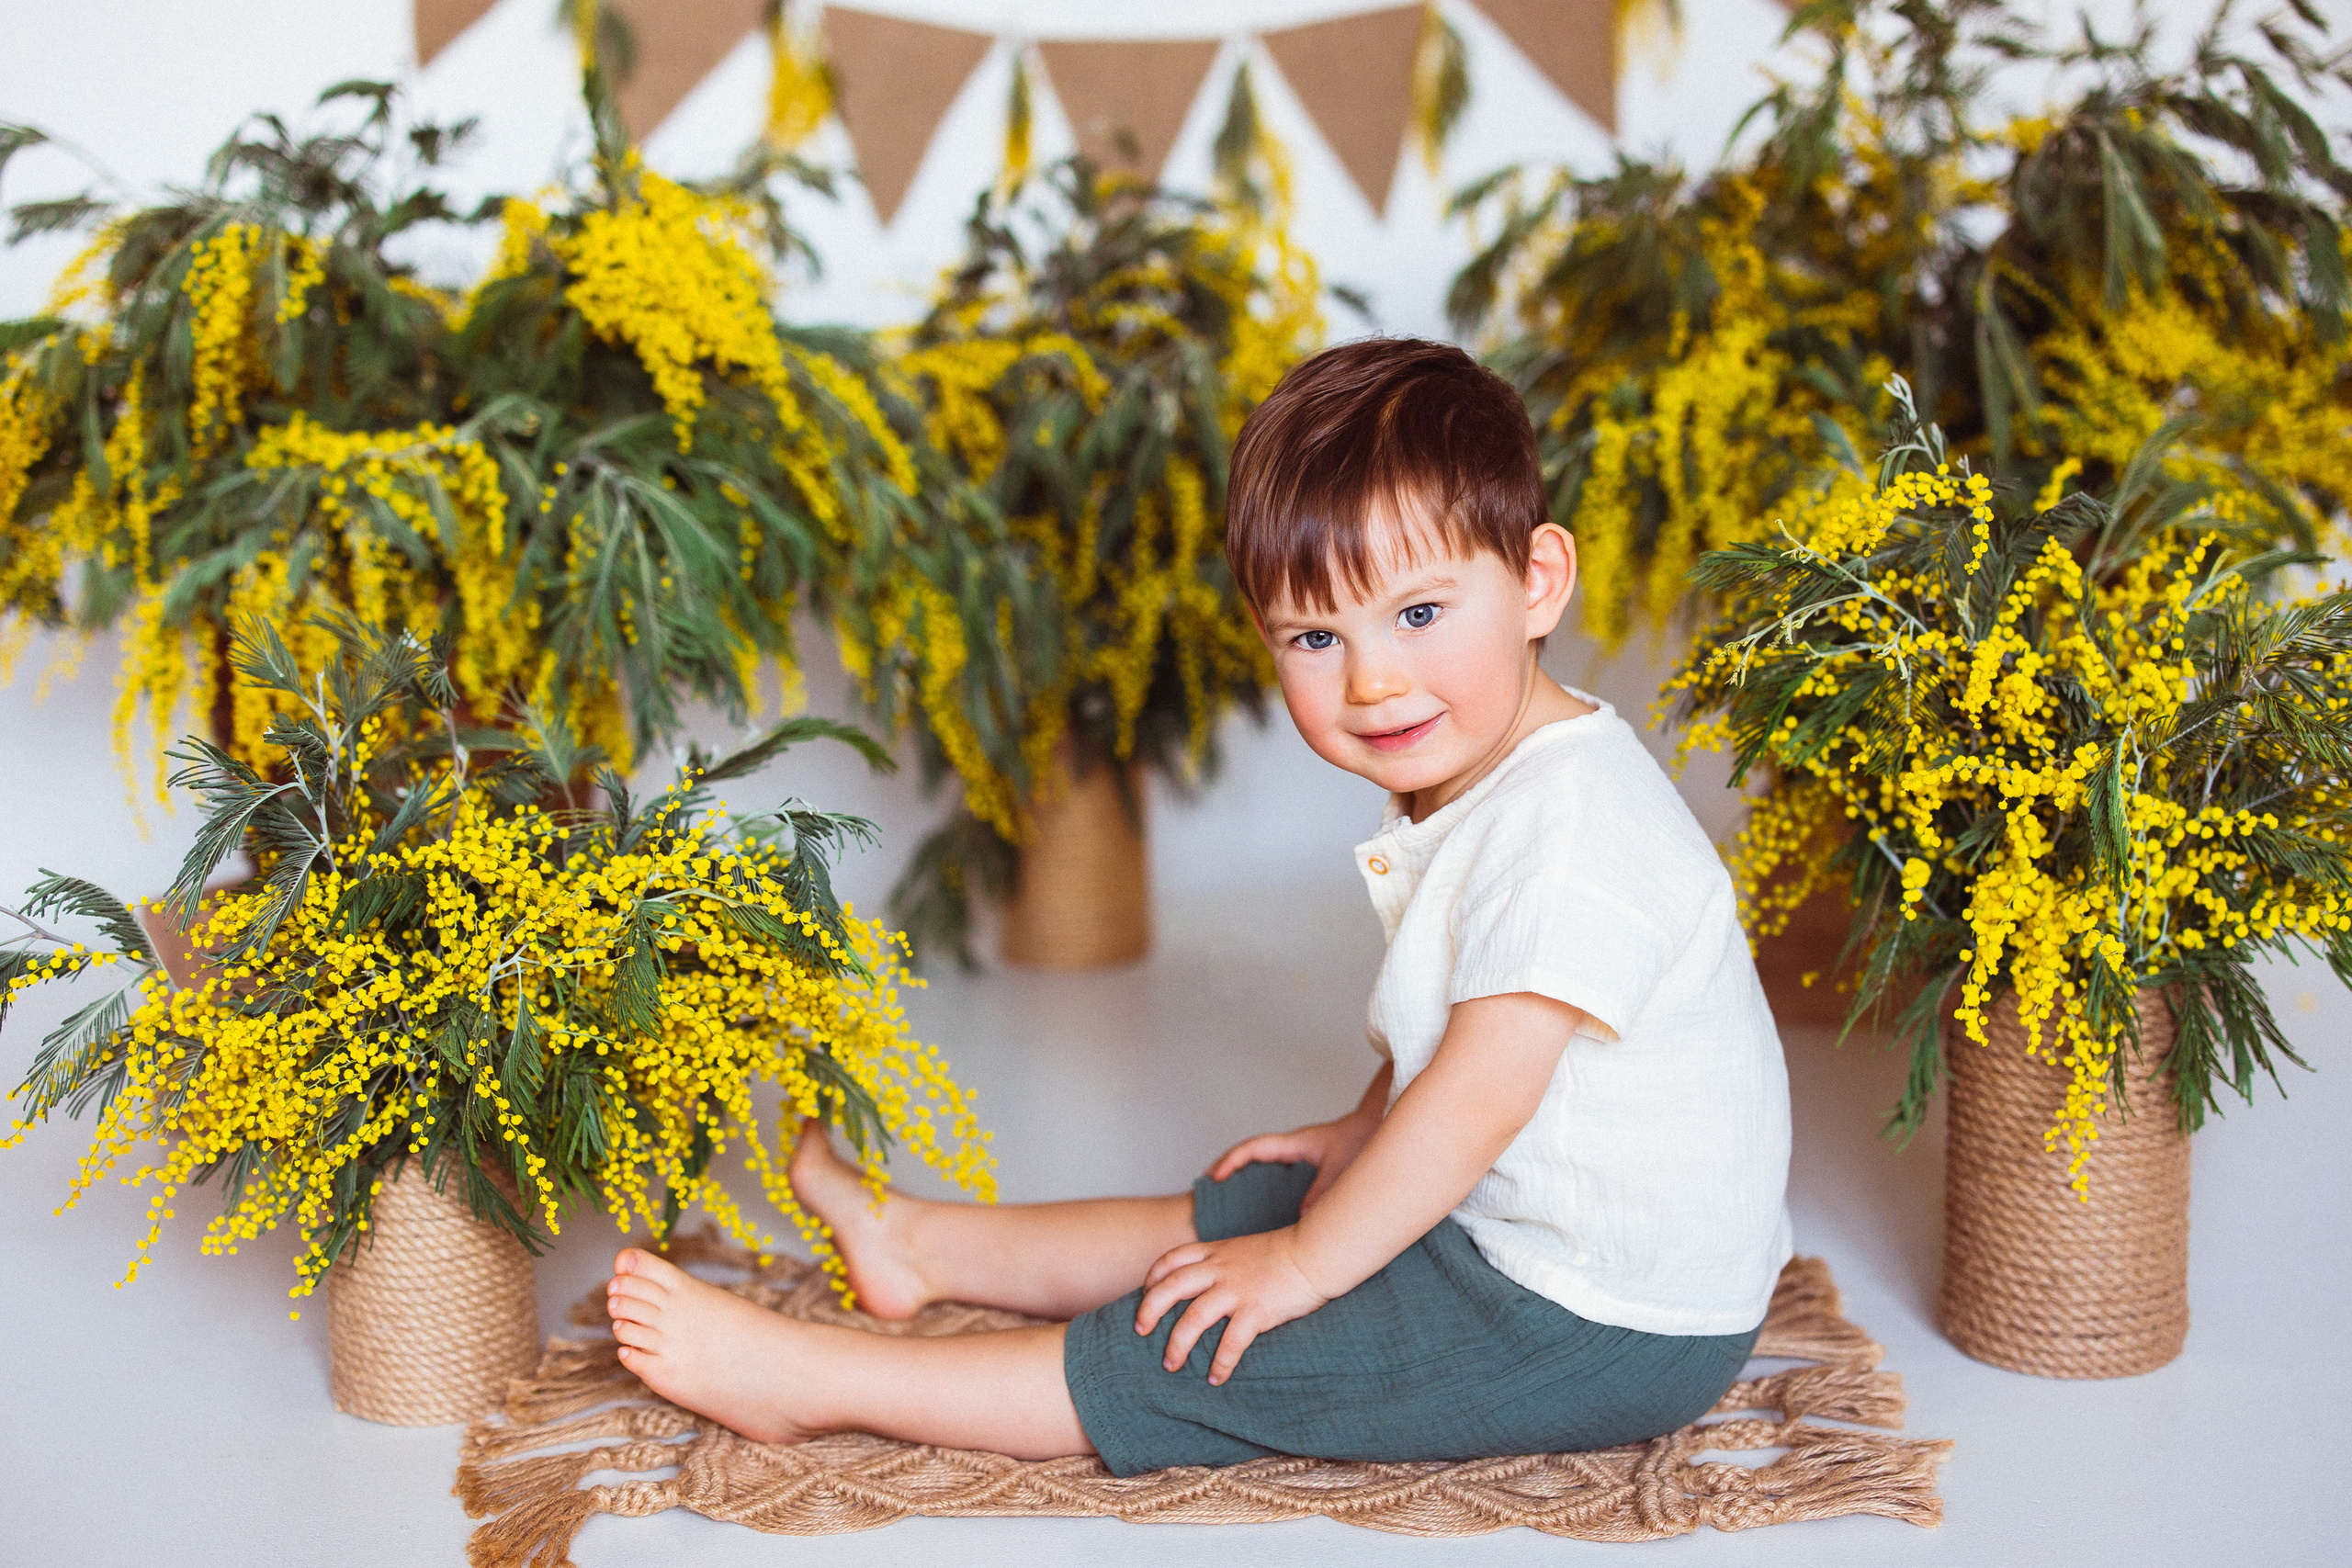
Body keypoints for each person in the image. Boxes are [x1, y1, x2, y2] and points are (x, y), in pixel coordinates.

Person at [601, 336, 1793, 1472]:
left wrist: (1302, 1267)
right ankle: (916, 1244)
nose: (1374, 680)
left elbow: (1476, 1105)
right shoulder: (1485, 771)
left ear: (1538, 579)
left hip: (1602, 1313)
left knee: (1206, 1342)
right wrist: (1352, 1139)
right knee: (1286, 1198)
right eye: (1316, 635)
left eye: (1419, 614)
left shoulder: (1573, 833)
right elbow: (1461, 1037)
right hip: (1528, 1232)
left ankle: (817, 1382)